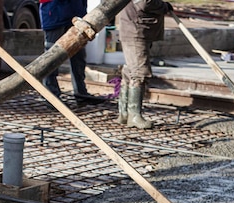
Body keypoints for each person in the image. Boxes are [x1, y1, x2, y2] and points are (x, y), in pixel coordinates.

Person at [116, 0, 173, 129]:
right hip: (136, 30)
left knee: (131, 71)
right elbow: (145, 3)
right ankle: (134, 116)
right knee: (139, 73)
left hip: (137, 29)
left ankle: (124, 113)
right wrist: (163, 6)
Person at [39, 0, 104, 105]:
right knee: (52, 57)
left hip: (75, 14)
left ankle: (81, 93)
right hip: (55, 13)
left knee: (79, 56)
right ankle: (51, 95)